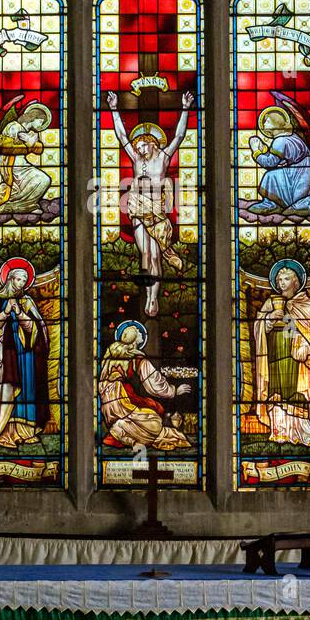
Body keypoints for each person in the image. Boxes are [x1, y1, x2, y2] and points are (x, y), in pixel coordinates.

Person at [107, 89, 193, 317]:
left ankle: (154, 297)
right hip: (138, 210)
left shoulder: (164, 157)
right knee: (146, 255)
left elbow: (179, 137)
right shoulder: (136, 160)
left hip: (157, 214)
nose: (137, 149)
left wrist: (185, 109)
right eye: (137, 147)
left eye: (141, 145)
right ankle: (149, 296)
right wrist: (114, 110)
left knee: (156, 255)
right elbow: (122, 137)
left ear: (151, 143)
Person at [0, 257, 50, 447]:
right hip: (6, 354)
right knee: (7, 392)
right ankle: (3, 431)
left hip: (26, 355)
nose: (21, 284)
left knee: (27, 392)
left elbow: (37, 331)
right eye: (19, 279)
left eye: (24, 281)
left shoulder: (26, 302)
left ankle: (26, 431)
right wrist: (4, 312)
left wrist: (19, 313)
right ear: (10, 279)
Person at [252, 259, 310, 445]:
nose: (281, 283)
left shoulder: (305, 304)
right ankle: (279, 430)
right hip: (274, 357)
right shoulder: (270, 303)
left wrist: (305, 345)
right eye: (279, 279)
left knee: (297, 393)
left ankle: (302, 432)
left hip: (296, 362)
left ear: (296, 281)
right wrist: (268, 319)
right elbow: (258, 327)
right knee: (276, 391)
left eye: (286, 278)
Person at [99, 321, 191, 450]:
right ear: (133, 338)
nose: (142, 335)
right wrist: (174, 391)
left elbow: (102, 379)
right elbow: (153, 381)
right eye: (139, 333)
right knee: (155, 420)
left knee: (152, 407)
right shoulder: (136, 357)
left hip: (107, 399)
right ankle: (122, 428)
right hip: (122, 398)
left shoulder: (112, 352)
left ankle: (120, 429)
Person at [0, 101, 52, 217]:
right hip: (11, 166)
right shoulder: (13, 127)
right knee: (40, 180)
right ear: (33, 118)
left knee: (44, 179)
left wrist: (32, 144)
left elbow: (39, 149)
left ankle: (20, 205)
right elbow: (5, 147)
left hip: (22, 165)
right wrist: (28, 146)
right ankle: (16, 205)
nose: (40, 125)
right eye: (40, 121)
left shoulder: (30, 132)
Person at [247, 105, 310, 217]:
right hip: (301, 172)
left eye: (267, 121)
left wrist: (256, 151)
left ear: (275, 123)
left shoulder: (280, 141)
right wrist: (264, 149)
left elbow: (270, 163)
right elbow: (280, 159)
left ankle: (272, 204)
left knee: (270, 175)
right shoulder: (290, 136)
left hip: (297, 176)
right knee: (273, 174)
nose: (263, 124)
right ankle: (274, 203)